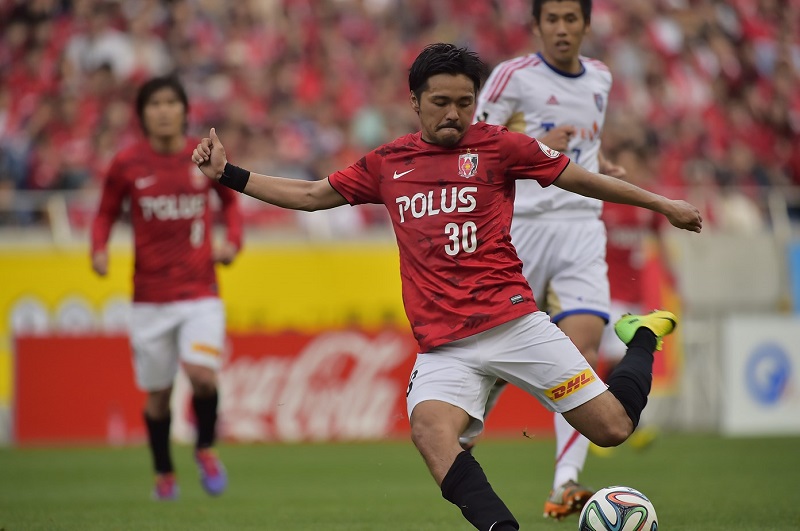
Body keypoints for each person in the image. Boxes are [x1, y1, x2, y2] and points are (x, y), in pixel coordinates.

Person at [192, 43, 701, 531]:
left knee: (613, 429)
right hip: (444, 348)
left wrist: (662, 204)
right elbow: (309, 194)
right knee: (431, 433)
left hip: (515, 325)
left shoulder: (500, 147)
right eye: (440, 103)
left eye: (465, 102)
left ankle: (642, 337)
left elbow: (580, 177)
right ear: (415, 102)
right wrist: (228, 174)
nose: (454, 114)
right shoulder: (388, 163)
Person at [469, 0, 630, 518]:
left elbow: (584, 148)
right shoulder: (512, 77)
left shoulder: (601, 78)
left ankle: (565, 483)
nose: (562, 29)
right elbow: (469, 151)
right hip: (519, 230)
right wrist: (535, 144)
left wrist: (602, 166)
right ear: (537, 26)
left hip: (582, 225)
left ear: (586, 24)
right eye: (552, 20)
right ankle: (457, 442)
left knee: (582, 352)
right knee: (488, 354)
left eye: (571, 19)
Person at [90, 75, 243, 500]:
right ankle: (163, 473)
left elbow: (231, 201)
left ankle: (206, 449)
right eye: (154, 103)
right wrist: (98, 249)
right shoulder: (126, 165)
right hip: (149, 300)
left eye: (170, 102)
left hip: (200, 293)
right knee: (158, 397)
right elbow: (103, 213)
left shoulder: (202, 157)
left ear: (183, 110)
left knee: (203, 376)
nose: (163, 110)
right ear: (142, 113)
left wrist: (232, 242)